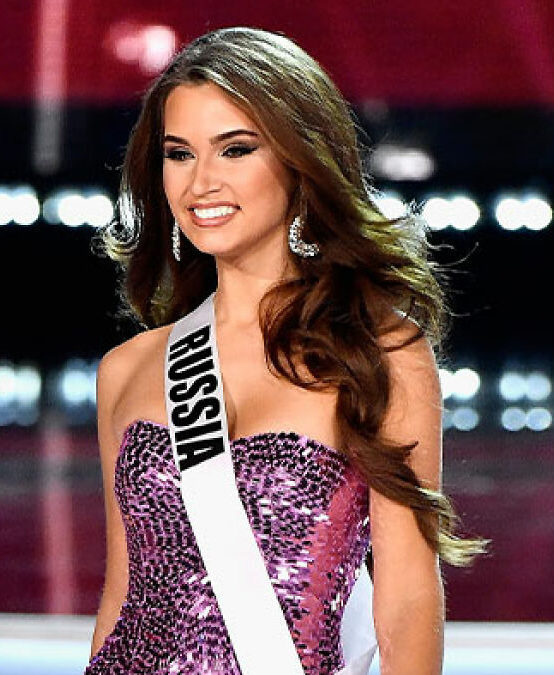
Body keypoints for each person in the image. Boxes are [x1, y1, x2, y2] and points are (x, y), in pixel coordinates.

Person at [86, 27, 486, 674]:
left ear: (300, 160)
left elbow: (408, 599)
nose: (201, 182)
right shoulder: (127, 369)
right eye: (179, 154)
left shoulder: (377, 351)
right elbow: (121, 597)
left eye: (236, 149)